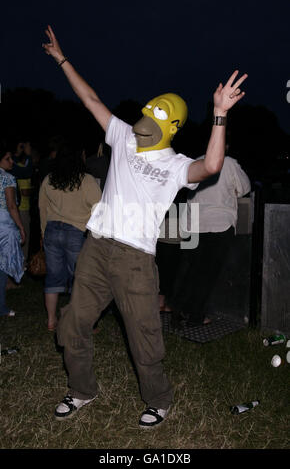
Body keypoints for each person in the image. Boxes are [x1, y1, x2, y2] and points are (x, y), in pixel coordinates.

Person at [42, 24, 247, 428]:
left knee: (144, 337)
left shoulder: (174, 165)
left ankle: (159, 399)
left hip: (135, 259)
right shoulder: (122, 137)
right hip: (96, 248)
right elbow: (89, 98)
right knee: (72, 324)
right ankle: (82, 389)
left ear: (172, 126)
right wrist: (62, 59)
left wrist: (220, 114)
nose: (148, 115)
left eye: (159, 113)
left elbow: (211, 166)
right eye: (150, 108)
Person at [168, 154, 251, 327]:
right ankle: (196, 316)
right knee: (207, 274)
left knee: (190, 271)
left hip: (194, 223)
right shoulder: (228, 162)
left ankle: (178, 310)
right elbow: (244, 188)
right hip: (218, 223)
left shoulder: (195, 162)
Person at [39, 141, 102, 331]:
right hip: (76, 232)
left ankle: (51, 320)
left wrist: (43, 233)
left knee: (53, 277)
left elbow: (42, 207)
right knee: (81, 279)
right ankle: (83, 323)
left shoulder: (49, 179)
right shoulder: (86, 180)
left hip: (51, 231)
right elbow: (100, 208)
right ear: (80, 157)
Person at [0, 144, 25, 317]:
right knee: (2, 267)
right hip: (4, 226)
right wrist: (21, 227)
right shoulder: (7, 178)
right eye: (7, 158)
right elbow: (11, 205)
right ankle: (1, 307)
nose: (11, 161)